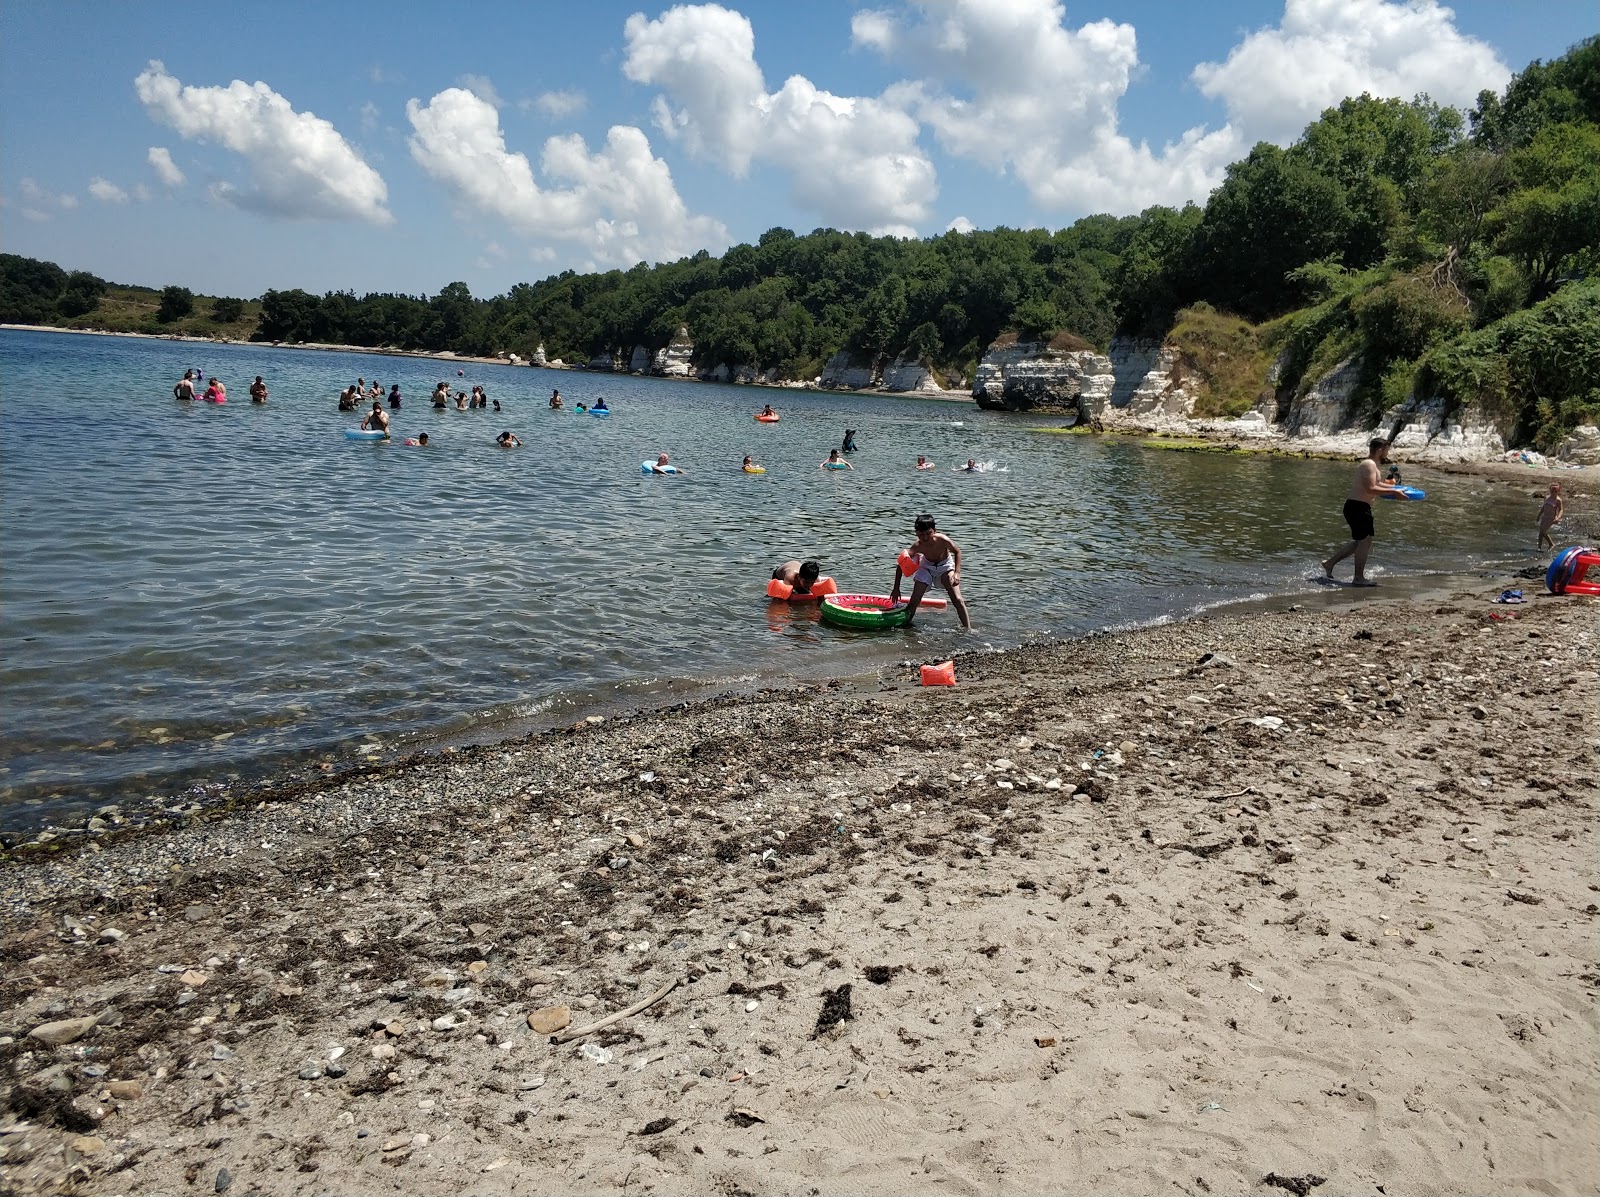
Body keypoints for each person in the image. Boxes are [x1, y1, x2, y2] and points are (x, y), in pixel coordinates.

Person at [1322, 438, 1402, 586]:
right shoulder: (1368, 465)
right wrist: (1394, 492)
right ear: (1380, 450)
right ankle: (1358, 578)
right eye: (1386, 450)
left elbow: (1377, 484)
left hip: (1360, 507)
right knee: (1365, 540)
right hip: (1357, 507)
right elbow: (1370, 489)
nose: (1387, 453)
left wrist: (1397, 489)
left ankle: (1329, 563)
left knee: (1361, 541)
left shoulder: (1373, 466)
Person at [890, 514, 972, 630]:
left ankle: (968, 629)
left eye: (928, 533)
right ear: (916, 533)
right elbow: (901, 565)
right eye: (920, 535)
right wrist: (896, 588)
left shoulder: (942, 540)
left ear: (934, 531)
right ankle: (906, 626)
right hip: (926, 567)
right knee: (914, 600)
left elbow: (957, 552)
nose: (924, 538)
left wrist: (957, 573)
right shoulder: (917, 546)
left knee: (957, 599)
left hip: (945, 567)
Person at [1538, 483, 1565, 552]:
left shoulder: (1558, 500)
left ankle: (1551, 544)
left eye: (1555, 492)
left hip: (1551, 518)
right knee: (1540, 533)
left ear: (1558, 492)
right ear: (1550, 491)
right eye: (1552, 491)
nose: (1553, 493)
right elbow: (1543, 507)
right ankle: (1539, 548)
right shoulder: (1547, 498)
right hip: (1545, 517)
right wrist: (1539, 515)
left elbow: (1561, 509)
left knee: (1544, 531)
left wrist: (1558, 517)